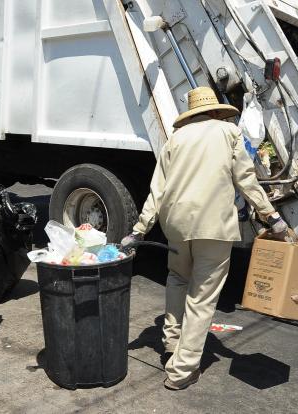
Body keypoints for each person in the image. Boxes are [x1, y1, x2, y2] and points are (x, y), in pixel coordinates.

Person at [121, 86, 289, 391]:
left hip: (176, 226)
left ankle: (171, 344)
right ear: (215, 110)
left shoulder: (175, 139)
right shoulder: (229, 132)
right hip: (214, 228)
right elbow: (246, 180)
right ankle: (182, 371)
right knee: (201, 298)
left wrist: (138, 230)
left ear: (193, 113)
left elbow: (157, 190)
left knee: (177, 279)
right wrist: (271, 217)